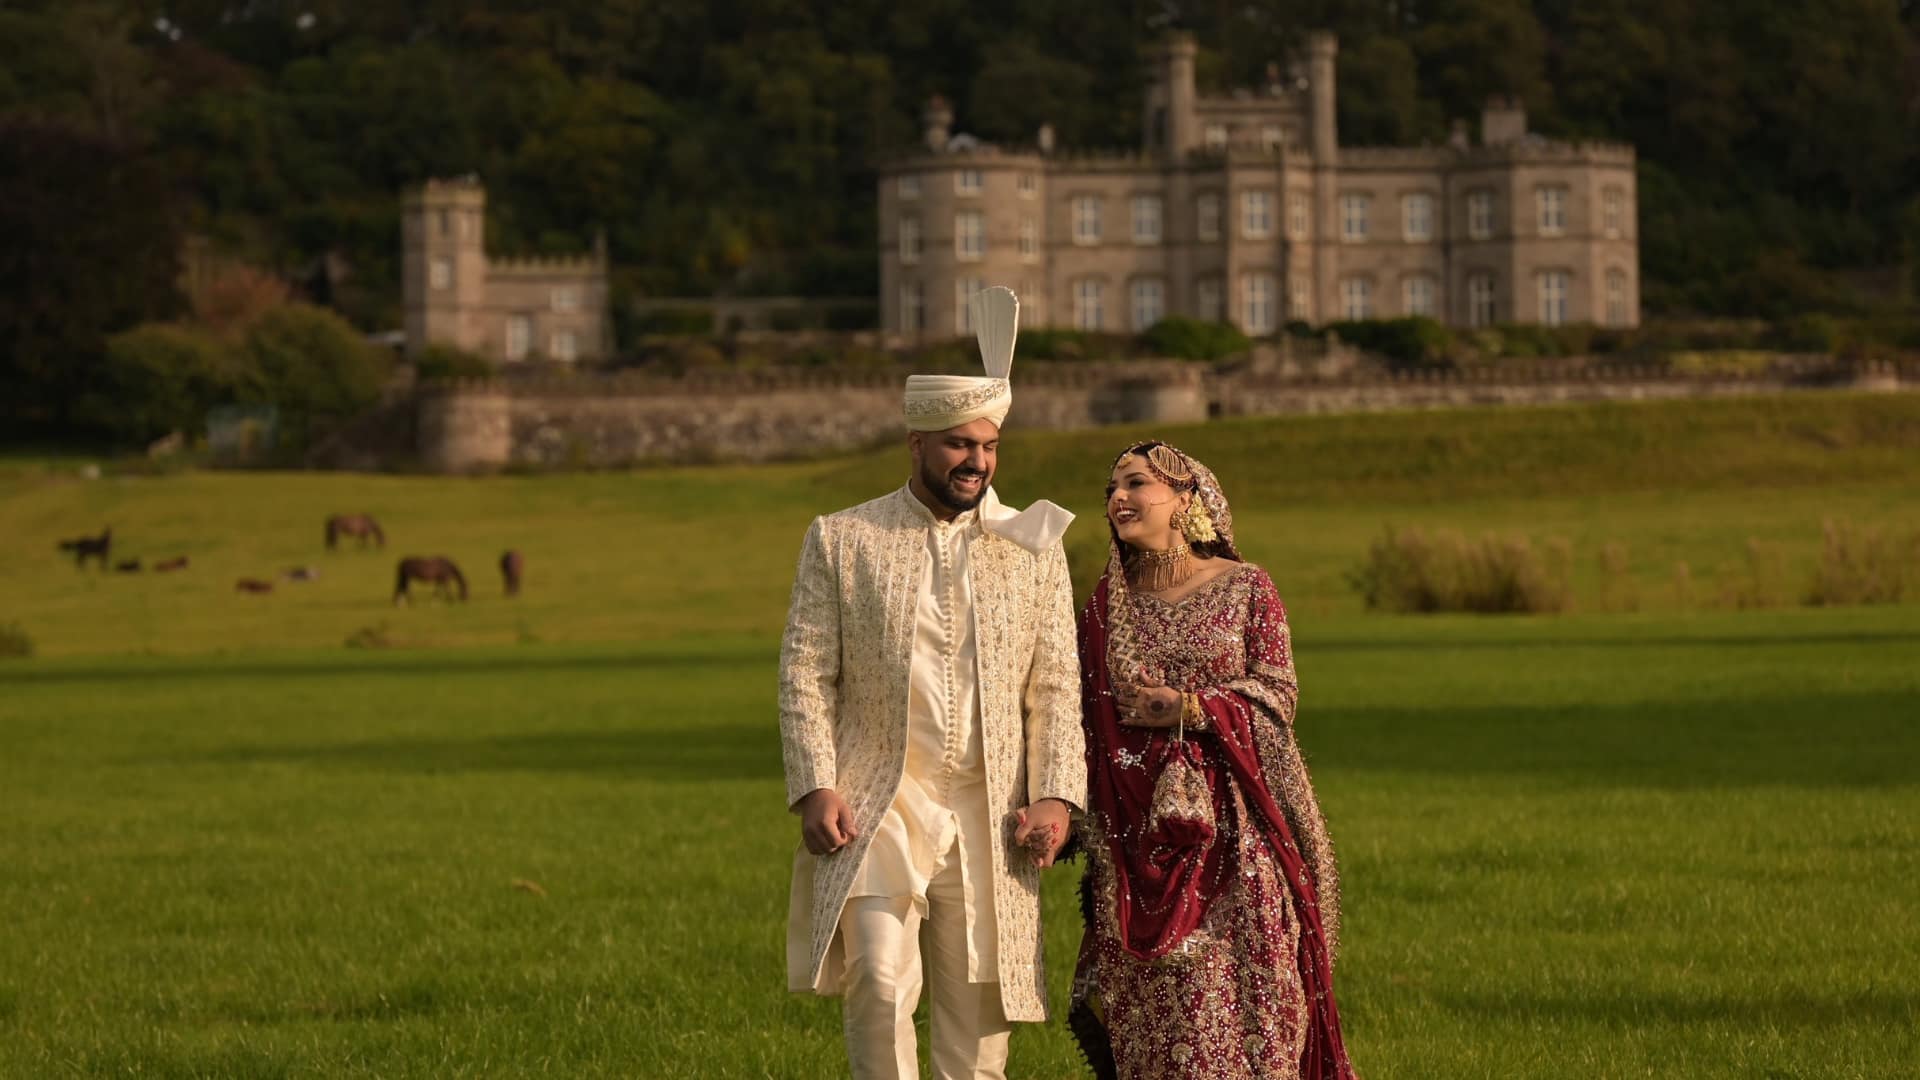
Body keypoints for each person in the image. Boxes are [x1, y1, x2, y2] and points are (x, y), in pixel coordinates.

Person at [780, 287, 1085, 1079]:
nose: (975, 463)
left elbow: (1056, 686)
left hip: (992, 807)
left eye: (988, 448)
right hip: (881, 797)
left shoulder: (1033, 548)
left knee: (980, 1021)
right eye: (957, 445)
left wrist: (1056, 795)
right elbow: (807, 673)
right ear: (915, 444)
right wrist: (815, 785)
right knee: (879, 983)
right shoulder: (843, 539)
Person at [1069, 440, 1358, 1080]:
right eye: (1112, 488)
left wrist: (1192, 708)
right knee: (1159, 1020)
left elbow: (1278, 694)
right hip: (1138, 839)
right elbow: (1075, 715)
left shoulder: (1247, 588)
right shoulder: (1102, 609)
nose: (1118, 498)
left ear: (1185, 499)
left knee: (1253, 1004)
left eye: (1137, 484)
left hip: (1239, 834)